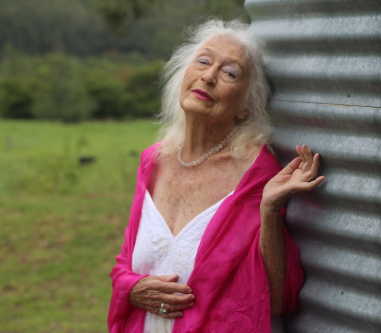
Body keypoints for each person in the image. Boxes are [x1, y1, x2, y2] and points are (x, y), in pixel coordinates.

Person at [107, 19, 325, 333]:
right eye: (204, 61)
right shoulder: (153, 161)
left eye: (230, 73)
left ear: (246, 107)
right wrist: (132, 288)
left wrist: (269, 209)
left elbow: (274, 300)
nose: (208, 76)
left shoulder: (255, 172)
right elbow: (124, 265)